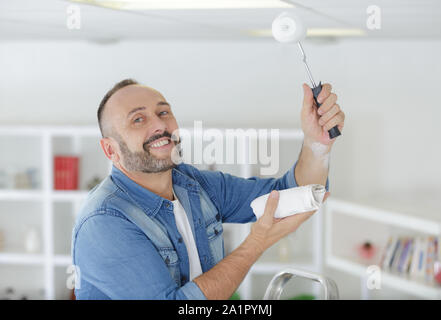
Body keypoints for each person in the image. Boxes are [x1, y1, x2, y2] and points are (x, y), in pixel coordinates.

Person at [71, 78, 345, 299]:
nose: (159, 125)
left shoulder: (193, 185)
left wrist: (317, 143)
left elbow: (292, 194)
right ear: (111, 149)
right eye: (138, 120)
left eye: (163, 112)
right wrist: (256, 243)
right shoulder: (105, 221)